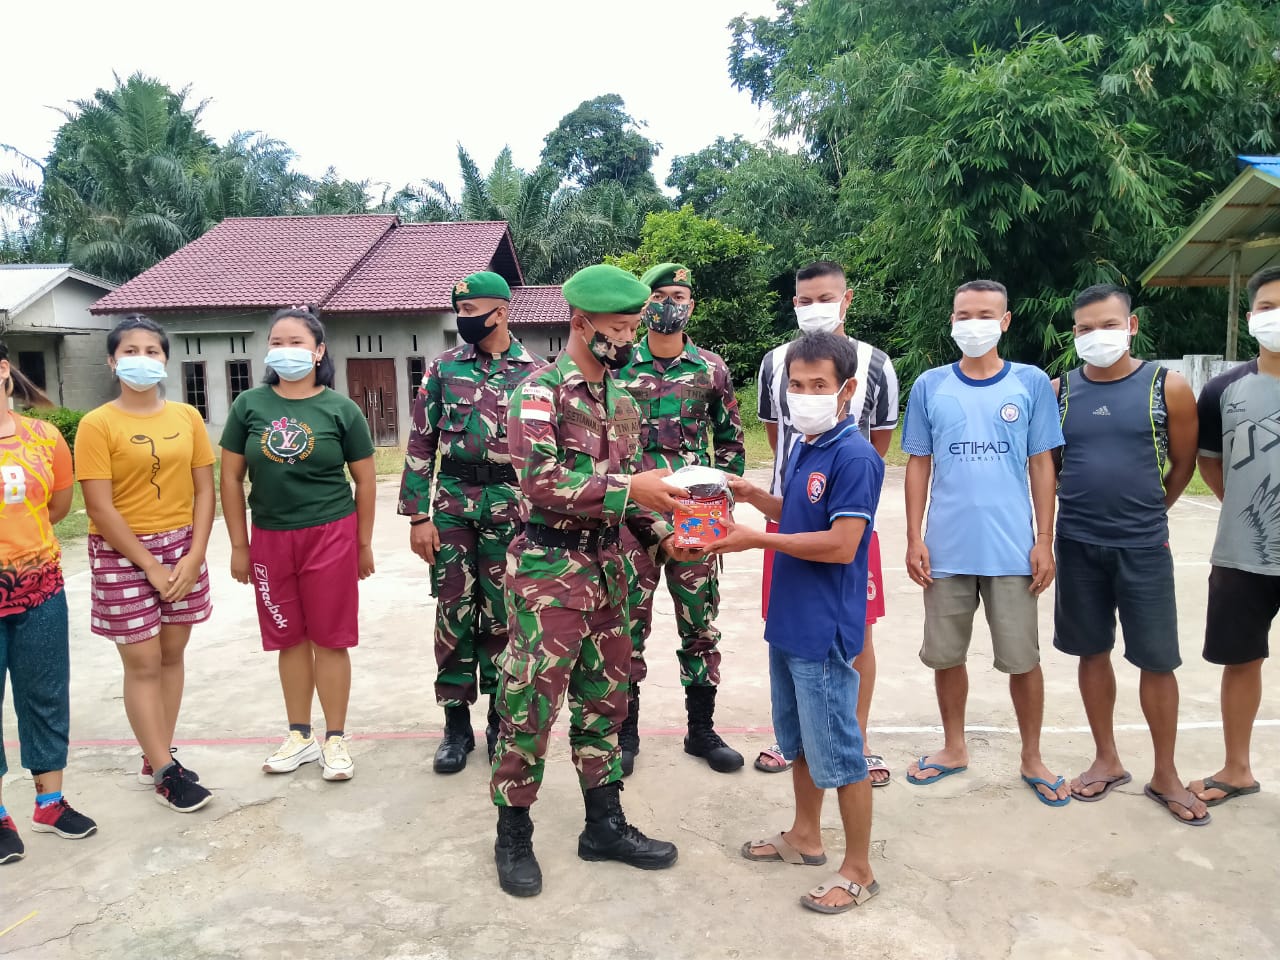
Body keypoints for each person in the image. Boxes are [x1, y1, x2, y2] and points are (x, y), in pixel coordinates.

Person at [489, 263, 695, 898]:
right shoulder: (538, 392)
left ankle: (603, 824)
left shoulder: (623, 399)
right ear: (580, 322)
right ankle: (513, 831)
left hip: (611, 572)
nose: (632, 336)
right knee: (530, 704)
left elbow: (633, 494)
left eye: (634, 325)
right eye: (621, 326)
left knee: (606, 700)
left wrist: (666, 535)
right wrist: (630, 487)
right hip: (551, 573)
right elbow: (541, 482)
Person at [713, 332, 883, 915]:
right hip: (788, 622)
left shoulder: (855, 455)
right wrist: (755, 496)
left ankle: (858, 869)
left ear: (847, 390)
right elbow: (803, 513)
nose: (806, 394)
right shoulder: (807, 446)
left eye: (820, 385)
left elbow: (841, 543)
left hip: (825, 629)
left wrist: (755, 537)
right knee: (802, 743)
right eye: (797, 384)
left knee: (843, 752)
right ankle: (805, 835)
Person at [901, 280, 1070, 805]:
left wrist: (1045, 539)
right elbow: (919, 464)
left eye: (984, 314)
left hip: (1013, 552)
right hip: (946, 549)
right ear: (951, 320)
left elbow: (1042, 463)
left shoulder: (1031, 383)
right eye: (962, 314)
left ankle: (1032, 756)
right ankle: (954, 748)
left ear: (1005, 320)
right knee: (947, 656)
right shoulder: (930, 385)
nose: (972, 323)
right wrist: (914, 537)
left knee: (1023, 659)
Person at [1052, 285, 1208, 824]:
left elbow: (1184, 463)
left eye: (1109, 324)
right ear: (1074, 334)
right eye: (1086, 328)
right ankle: (1106, 759)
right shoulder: (1060, 391)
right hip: (1075, 542)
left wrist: (1153, 507)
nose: (1098, 336)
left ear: (1133, 325)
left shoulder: (1168, 386)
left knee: (1157, 660)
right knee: (1090, 651)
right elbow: (1049, 466)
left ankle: (1165, 773)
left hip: (1142, 545)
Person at [756, 260, 898, 785]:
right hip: (792, 514)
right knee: (792, 632)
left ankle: (851, 739)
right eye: (803, 300)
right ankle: (797, 735)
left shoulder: (877, 365)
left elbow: (877, 447)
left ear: (847, 299)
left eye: (824, 298)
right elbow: (778, 438)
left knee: (856, 633)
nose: (813, 308)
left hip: (847, 521)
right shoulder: (774, 363)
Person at [220, 306, 376, 782]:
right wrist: (239, 545)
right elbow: (230, 478)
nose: (285, 351)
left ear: (319, 351)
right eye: (277, 343)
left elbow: (365, 480)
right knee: (288, 638)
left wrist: (363, 544)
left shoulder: (340, 408)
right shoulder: (249, 405)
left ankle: (336, 739)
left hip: (330, 533)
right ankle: (299, 735)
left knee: (330, 639)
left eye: (296, 343)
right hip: (269, 538)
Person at [399, 272, 542, 774]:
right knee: (453, 611)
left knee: (507, 616)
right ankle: (455, 723)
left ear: (500, 311)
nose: (464, 319)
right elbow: (421, 441)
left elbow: (546, 453)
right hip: (454, 506)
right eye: (458, 311)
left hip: (513, 506)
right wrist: (418, 514)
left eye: (471, 310)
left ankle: (502, 721)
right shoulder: (442, 369)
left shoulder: (536, 373)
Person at [76, 315, 215, 813]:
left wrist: (195, 553)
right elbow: (99, 508)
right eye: (130, 350)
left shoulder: (187, 418)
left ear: (165, 361)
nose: (142, 359)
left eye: (152, 351)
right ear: (113, 362)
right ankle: (164, 772)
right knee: (142, 662)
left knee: (173, 656)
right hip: (121, 552)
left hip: (183, 546)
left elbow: (205, 490)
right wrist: (150, 567)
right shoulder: (98, 424)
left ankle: (158, 751)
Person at [616, 262, 746, 776]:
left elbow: (731, 439)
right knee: (628, 626)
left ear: (693, 304)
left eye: (682, 295)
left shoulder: (711, 368)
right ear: (645, 304)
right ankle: (626, 731)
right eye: (663, 294)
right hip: (633, 516)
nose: (673, 303)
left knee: (700, 623)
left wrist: (725, 498)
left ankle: (701, 730)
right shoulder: (619, 368)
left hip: (696, 516)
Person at [0, 342, 97, 863]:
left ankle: (50, 801)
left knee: (45, 693)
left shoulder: (45, 437)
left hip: (39, 586)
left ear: (3, 373)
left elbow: (58, 506)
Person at [1189, 265, 1280, 809]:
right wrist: (1251, 510)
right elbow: (1214, 469)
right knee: (1240, 659)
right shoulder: (1223, 390)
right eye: (1268, 307)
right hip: (1244, 553)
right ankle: (1237, 768)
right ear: (1251, 318)